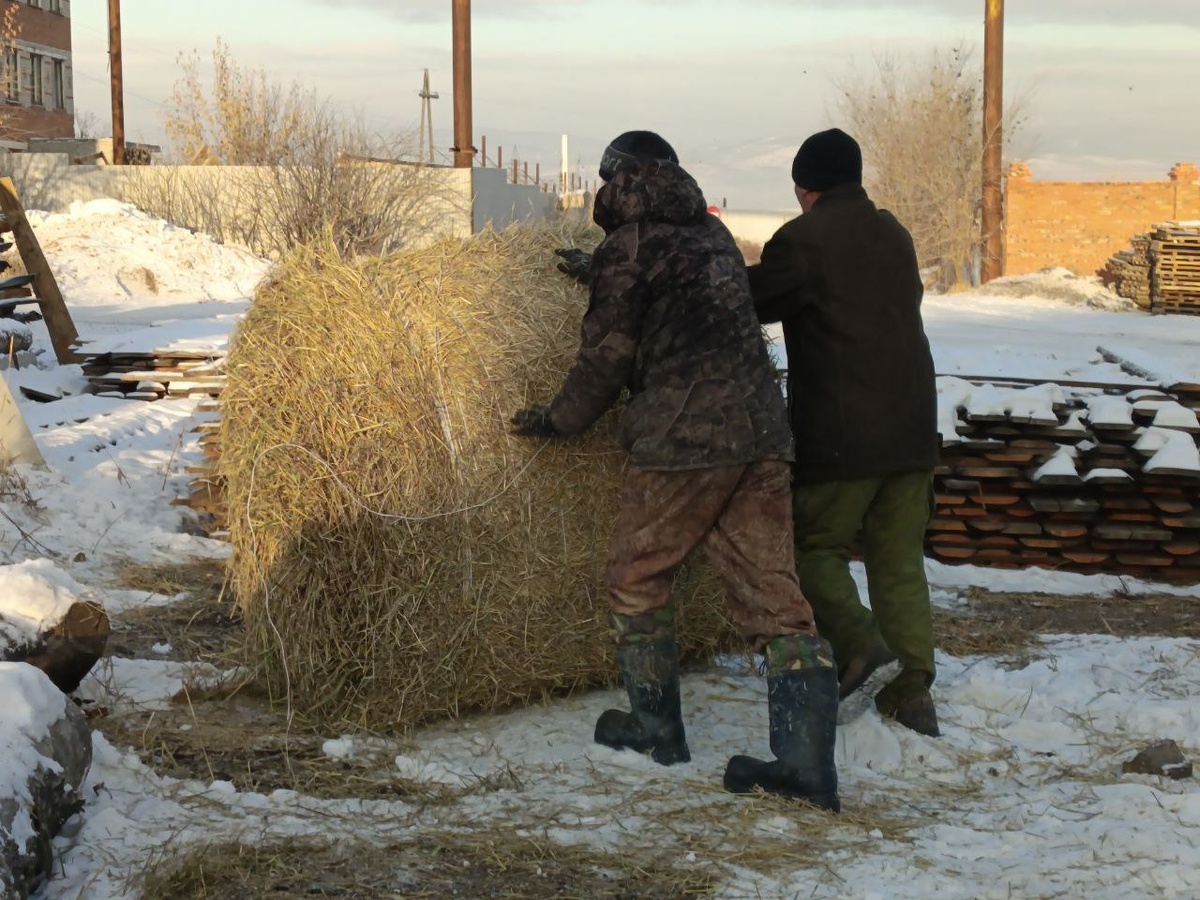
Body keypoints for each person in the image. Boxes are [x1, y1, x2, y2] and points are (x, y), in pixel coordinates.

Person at [511, 130, 841, 810]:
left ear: (614, 182)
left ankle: (655, 729)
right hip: (759, 433)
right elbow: (683, 292)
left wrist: (557, 419)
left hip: (683, 440)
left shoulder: (627, 248)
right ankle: (808, 770)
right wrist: (595, 272)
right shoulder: (712, 238)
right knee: (778, 602)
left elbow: (606, 356)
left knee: (636, 577)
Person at [745, 128, 942, 737]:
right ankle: (911, 697)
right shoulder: (895, 234)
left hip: (843, 434)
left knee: (809, 548)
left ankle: (863, 646)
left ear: (806, 189)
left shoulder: (804, 240)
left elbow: (748, 299)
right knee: (898, 562)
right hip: (912, 429)